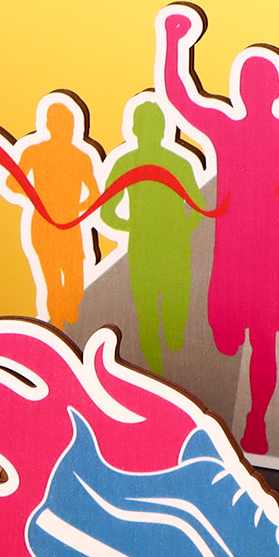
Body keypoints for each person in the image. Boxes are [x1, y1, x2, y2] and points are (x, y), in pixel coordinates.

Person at [157, 5, 279, 454]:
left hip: (269, 262)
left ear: (278, 91)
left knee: (263, 340)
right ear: (242, 91)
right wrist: (172, 40)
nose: (257, 89)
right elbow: (180, 101)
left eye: (261, 83)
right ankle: (240, 400)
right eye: (252, 82)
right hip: (231, 264)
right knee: (227, 341)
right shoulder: (226, 130)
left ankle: (256, 423)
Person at [98, 97, 205, 375]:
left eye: (155, 125)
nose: (151, 131)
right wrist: (135, 226)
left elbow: (198, 206)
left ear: (164, 129)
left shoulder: (177, 162)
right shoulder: (127, 163)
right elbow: (107, 212)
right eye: (148, 125)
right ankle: (155, 370)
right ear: (134, 129)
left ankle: (173, 333)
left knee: (171, 308)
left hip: (170, 247)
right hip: (146, 247)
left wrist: (182, 230)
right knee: (147, 313)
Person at [0, 96, 103, 330]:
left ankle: (68, 307)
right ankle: (57, 327)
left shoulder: (81, 156)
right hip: (43, 226)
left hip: (71, 225)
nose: (66, 129)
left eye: (68, 124)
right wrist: (36, 197)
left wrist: (78, 207)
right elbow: (12, 182)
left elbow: (94, 193)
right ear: (48, 125)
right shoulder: (34, 152)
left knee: (76, 283)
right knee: (52, 282)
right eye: (60, 124)